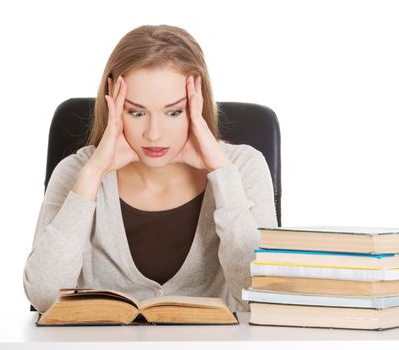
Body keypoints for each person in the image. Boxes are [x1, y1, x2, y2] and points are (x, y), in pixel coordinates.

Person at [23, 24, 277, 313]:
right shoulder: (78, 172)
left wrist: (220, 171)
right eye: (137, 112)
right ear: (113, 104)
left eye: (173, 112)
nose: (154, 134)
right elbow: (43, 297)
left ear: (198, 102)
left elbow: (261, 294)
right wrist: (92, 176)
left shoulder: (242, 168)